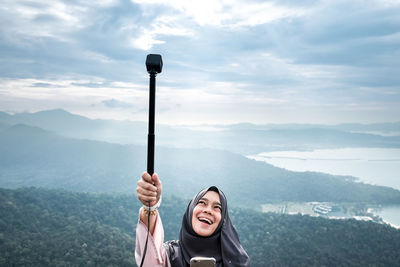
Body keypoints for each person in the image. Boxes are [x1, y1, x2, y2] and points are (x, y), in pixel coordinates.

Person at [135, 172, 250, 267]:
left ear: (223, 220)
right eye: (202, 203)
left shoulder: (236, 260)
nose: (208, 210)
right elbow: (150, 258)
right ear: (190, 211)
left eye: (217, 207)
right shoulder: (170, 255)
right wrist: (150, 207)